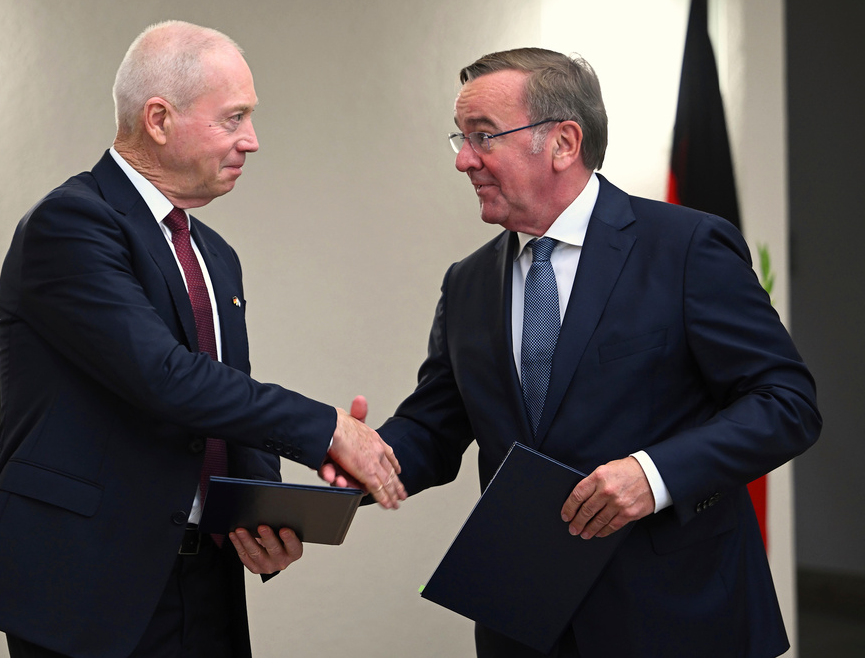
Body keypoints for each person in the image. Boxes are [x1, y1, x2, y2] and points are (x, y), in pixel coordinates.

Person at [331, 48, 821, 657]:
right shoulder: (468, 282)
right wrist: (360, 456)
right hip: (524, 621)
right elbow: (435, 425)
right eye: (461, 138)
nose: (462, 160)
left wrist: (653, 474)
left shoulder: (686, 247)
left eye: (483, 137)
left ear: (564, 142)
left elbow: (786, 404)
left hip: (675, 616)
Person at [0, 21, 405, 658]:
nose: (252, 141)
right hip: (86, 584)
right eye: (234, 118)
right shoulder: (71, 223)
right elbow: (163, 377)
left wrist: (261, 507)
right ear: (159, 119)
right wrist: (328, 430)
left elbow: (226, 398)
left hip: (204, 577)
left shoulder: (214, 254)